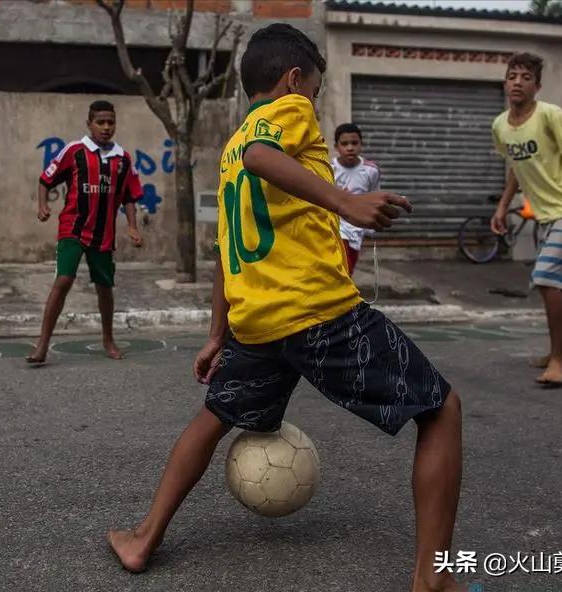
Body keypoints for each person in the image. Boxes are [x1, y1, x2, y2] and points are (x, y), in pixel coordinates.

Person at [107, 24, 464, 592]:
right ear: (294, 79)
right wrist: (346, 199)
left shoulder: (227, 150)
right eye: (316, 91)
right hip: (317, 311)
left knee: (214, 416)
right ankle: (435, 577)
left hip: (257, 322)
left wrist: (216, 333)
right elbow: (262, 154)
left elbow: (226, 247)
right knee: (442, 410)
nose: (314, 104)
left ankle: (143, 537)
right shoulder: (283, 114)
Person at [490, 52, 562, 387]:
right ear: (505, 81)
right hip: (546, 215)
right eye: (513, 76)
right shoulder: (500, 125)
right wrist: (502, 207)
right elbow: (515, 167)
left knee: (546, 279)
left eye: (526, 77)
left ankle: (559, 359)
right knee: (552, 284)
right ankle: (558, 351)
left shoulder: (549, 115)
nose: (517, 82)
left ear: (536, 86)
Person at [26, 100, 144, 365]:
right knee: (63, 281)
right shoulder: (75, 150)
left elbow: (128, 196)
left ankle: (108, 339)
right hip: (73, 227)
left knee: (104, 287)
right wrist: (43, 205)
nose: (105, 127)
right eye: (100, 122)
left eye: (110, 122)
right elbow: (46, 179)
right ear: (89, 124)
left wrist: (133, 226)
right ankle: (42, 345)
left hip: (103, 234)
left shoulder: (122, 158)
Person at [332, 122, 381, 273]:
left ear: (361, 144)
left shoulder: (370, 170)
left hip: (356, 231)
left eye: (354, 143)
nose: (350, 148)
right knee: (339, 270)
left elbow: (374, 195)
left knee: (347, 272)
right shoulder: (330, 169)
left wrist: (372, 223)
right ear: (336, 147)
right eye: (344, 144)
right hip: (335, 229)